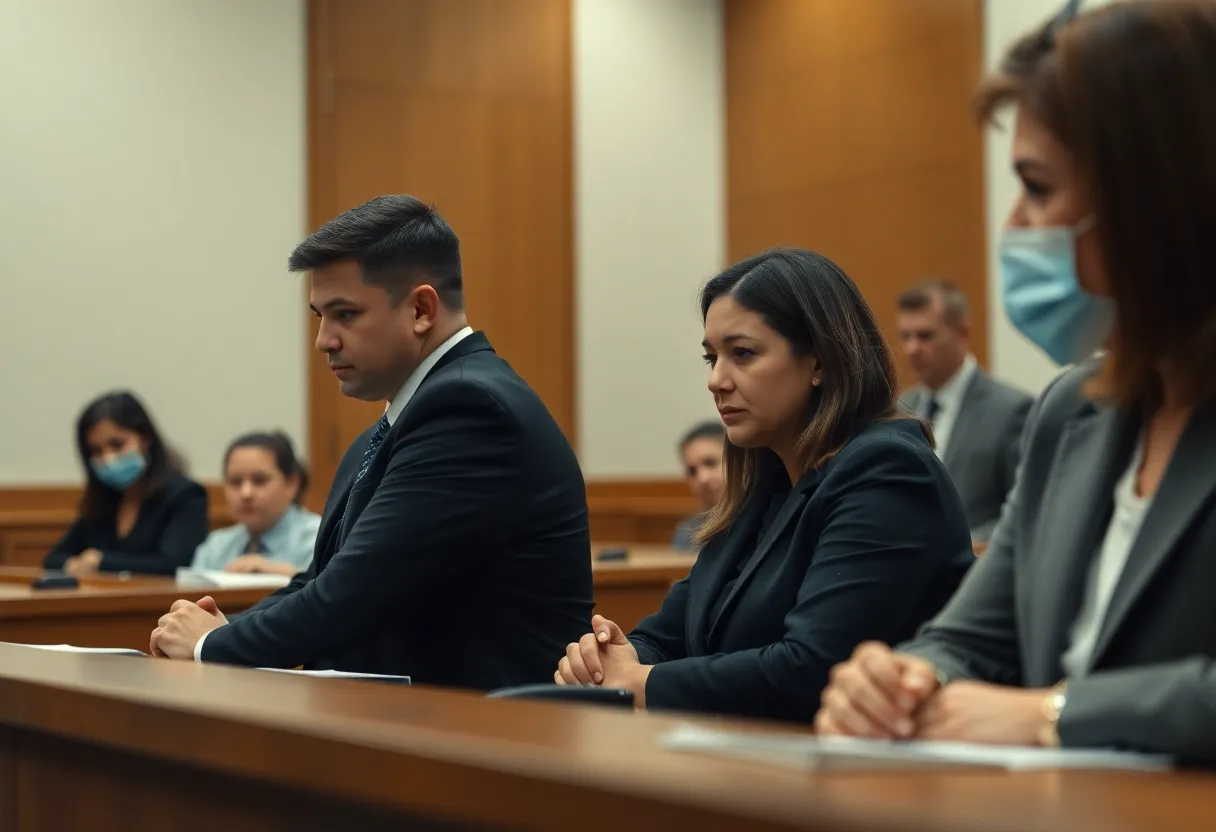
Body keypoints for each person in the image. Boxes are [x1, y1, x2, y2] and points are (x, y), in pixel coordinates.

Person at [815, 0, 1216, 764]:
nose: (1011, 228)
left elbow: (1036, 708)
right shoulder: (1070, 411)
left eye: (1037, 187)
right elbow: (971, 637)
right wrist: (906, 680)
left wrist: (1055, 715)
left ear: (1155, 204)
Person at [150, 195, 594, 690]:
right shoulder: (402, 419)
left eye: (344, 314)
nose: (323, 340)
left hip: (482, 737)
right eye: (319, 315)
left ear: (421, 309)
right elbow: (321, 578)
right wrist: (224, 630)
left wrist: (209, 644)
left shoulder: (470, 410)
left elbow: (348, 596)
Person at [554, 248, 973, 721]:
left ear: (821, 361)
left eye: (743, 354)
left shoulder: (887, 471)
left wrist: (642, 681)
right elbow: (670, 634)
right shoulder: (764, 487)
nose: (715, 380)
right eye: (712, 358)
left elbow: (813, 668)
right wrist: (610, 656)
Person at [896, 280, 1032, 543]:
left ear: (962, 332)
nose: (912, 349)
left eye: (925, 336)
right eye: (905, 336)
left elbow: (1026, 510)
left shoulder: (1011, 410)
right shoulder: (896, 411)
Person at [44, 391, 208, 577]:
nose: (108, 458)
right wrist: (72, 564)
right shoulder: (104, 500)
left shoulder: (185, 495)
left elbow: (174, 564)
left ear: (145, 439)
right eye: (97, 451)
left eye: (117, 444)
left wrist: (102, 562)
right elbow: (53, 558)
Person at [191, 432, 320, 576]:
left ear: (292, 484)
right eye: (235, 482)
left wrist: (289, 575)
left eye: (259, 480)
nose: (246, 493)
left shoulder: (321, 539)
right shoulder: (216, 546)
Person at [671, 421, 725, 550]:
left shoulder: (767, 523)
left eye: (710, 463)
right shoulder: (687, 534)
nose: (702, 478)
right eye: (692, 471)